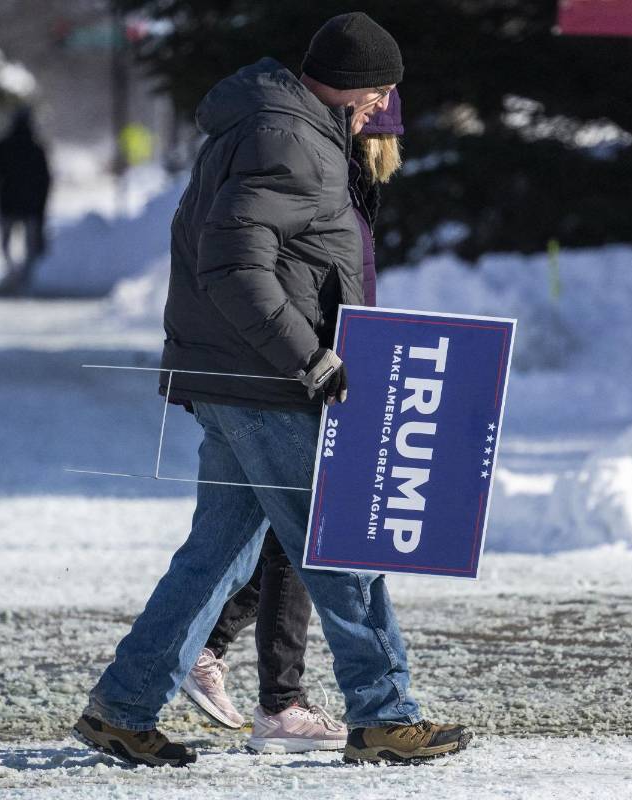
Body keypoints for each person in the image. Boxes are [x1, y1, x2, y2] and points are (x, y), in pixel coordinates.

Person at [73, 14, 470, 767]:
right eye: (380, 93)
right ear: (358, 90)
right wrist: (308, 358)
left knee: (213, 557)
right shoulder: (288, 139)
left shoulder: (277, 126)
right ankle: (385, 713)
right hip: (266, 382)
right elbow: (231, 264)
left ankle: (122, 709)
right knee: (339, 548)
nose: (381, 108)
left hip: (240, 377)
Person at [180, 89, 406, 756]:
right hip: (296, 374)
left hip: (308, 368)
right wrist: (315, 358)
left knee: (275, 537)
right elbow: (271, 272)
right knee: (307, 541)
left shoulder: (332, 170)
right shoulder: (326, 169)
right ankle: (278, 696)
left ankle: (216, 661)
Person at [0, 106, 52, 291]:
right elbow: (45, 180)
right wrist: (42, 206)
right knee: (29, 244)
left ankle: (13, 273)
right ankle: (24, 276)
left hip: (9, 202)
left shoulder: (5, 146)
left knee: (6, 243)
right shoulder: (36, 148)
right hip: (30, 204)